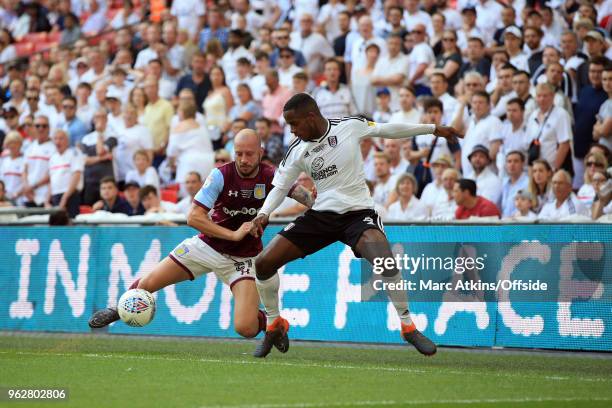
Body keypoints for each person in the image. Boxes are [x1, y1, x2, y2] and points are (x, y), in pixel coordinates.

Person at [248, 93, 460, 358]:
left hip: (358, 214)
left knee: (386, 262)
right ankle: (274, 323)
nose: (291, 130)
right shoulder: (297, 150)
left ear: (311, 117)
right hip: (321, 216)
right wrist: (264, 213)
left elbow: (388, 130)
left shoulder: (349, 126)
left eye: (295, 123)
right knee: (264, 263)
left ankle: (407, 326)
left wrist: (432, 129)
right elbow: (279, 188)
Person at [88, 129, 315, 341]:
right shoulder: (220, 175)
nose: (244, 159)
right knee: (147, 283)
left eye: (249, 154)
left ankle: (271, 324)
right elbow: (194, 217)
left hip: (244, 260)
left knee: (245, 329)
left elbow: (301, 195)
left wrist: (316, 199)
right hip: (206, 248)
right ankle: (119, 308)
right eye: (239, 154)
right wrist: (234, 235)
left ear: (261, 153)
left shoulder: (272, 176)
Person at [46, 129, 84, 218]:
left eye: (61, 138)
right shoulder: (53, 157)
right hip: (56, 196)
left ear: (67, 140)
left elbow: (76, 175)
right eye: (55, 139)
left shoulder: (74, 153)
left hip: (70, 195)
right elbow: (52, 179)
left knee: (71, 225)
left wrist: (65, 197)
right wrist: (47, 200)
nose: (58, 141)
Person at [501, 151, 529, 218]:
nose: (512, 164)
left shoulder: (528, 183)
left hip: (520, 223)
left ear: (522, 164)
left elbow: (527, 207)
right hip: (503, 222)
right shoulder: (504, 183)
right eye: (509, 161)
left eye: (516, 161)